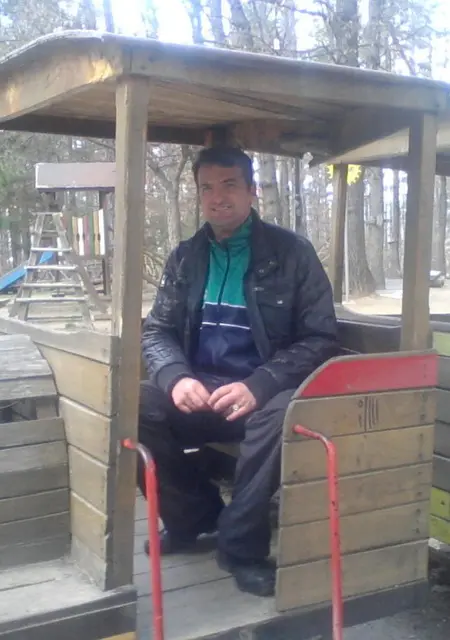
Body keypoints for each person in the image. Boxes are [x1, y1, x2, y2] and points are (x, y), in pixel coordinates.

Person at [139, 146, 339, 598]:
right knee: (134, 404)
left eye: (229, 185)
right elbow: (157, 331)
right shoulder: (186, 257)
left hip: (264, 393)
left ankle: (241, 548)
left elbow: (320, 338)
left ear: (251, 191)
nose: (217, 197)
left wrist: (259, 385)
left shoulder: (292, 254)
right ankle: (193, 518)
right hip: (200, 392)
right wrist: (176, 377)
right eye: (206, 188)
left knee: (284, 416)